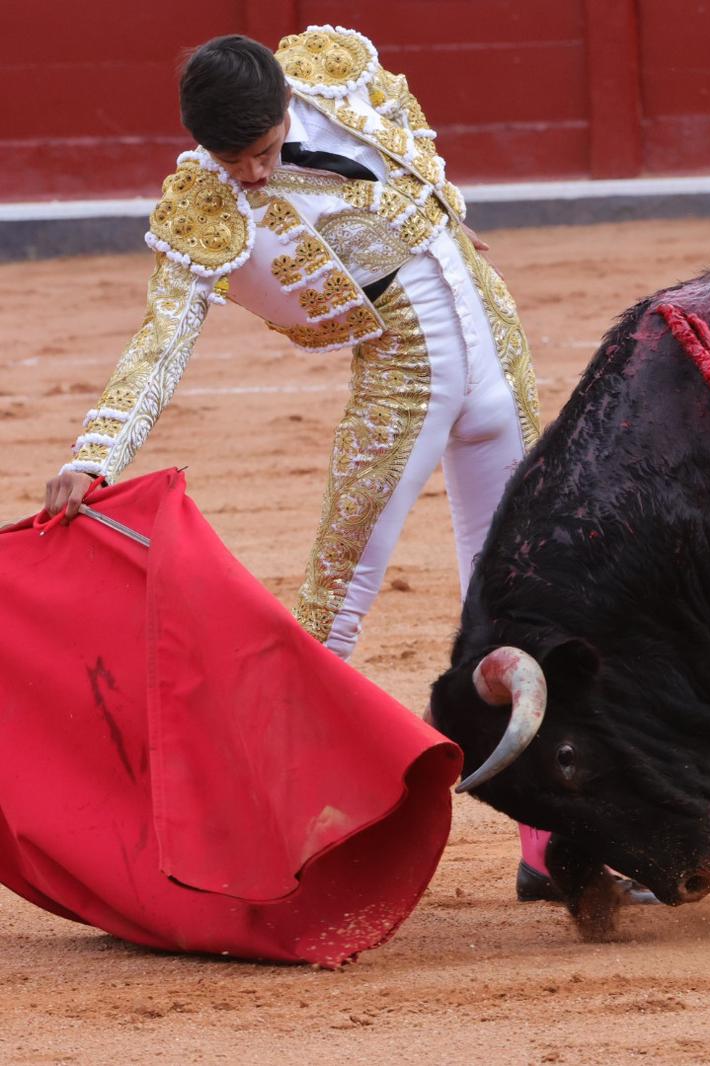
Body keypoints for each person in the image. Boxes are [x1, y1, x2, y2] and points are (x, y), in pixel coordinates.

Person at [40, 27, 581, 905]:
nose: (248, 175)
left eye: (258, 153)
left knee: (528, 593)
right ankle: (265, 841)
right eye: (230, 158)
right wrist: (95, 453)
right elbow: (161, 340)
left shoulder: (337, 71)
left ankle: (552, 850)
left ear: (287, 108)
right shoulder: (206, 207)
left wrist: (454, 237)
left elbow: (421, 166)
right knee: (331, 611)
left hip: (497, 346)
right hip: (403, 380)